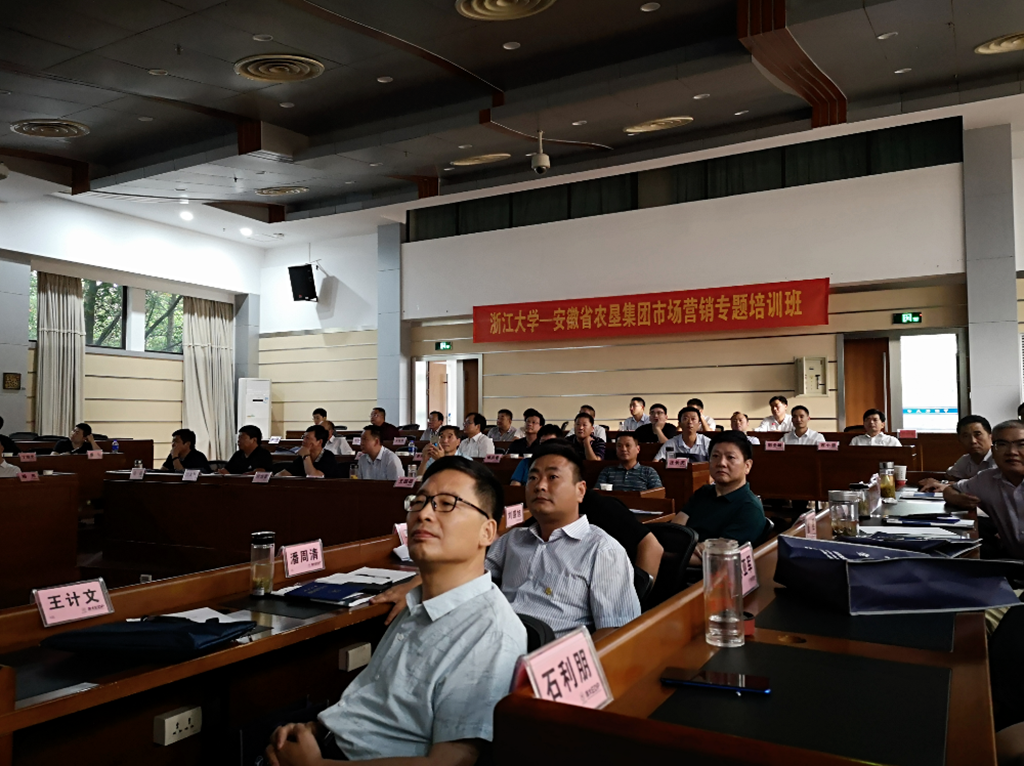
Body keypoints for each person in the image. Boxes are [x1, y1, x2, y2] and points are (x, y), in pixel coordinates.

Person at [266, 457, 526, 765]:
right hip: (330, 739)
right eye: (419, 501)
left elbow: (448, 763)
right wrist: (315, 729)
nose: (424, 514)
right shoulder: (419, 600)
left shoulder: (491, 632)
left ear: (487, 531)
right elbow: (374, 703)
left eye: (447, 504)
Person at [488, 443, 641, 637]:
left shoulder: (602, 551)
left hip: (548, 652)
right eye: (533, 478)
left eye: (553, 477)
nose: (540, 486)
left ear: (580, 491)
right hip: (489, 638)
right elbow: (473, 581)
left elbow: (615, 632)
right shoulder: (512, 540)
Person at [671, 431, 767, 563]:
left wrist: (660, 555)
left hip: (703, 573)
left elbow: (716, 557)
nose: (721, 463)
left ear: (747, 466)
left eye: (730, 457)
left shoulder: (750, 508)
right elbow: (675, 528)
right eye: (715, 456)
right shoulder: (704, 492)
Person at [943, 420, 1024, 559]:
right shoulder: (987, 479)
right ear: (993, 451)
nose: (1011, 452)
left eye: (1021, 445)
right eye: (1002, 444)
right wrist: (957, 498)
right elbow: (950, 490)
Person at [919, 415, 995, 492]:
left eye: (978, 434)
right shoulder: (966, 459)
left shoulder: (998, 458)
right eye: (966, 436)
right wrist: (936, 482)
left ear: (991, 436)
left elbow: (986, 486)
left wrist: (948, 486)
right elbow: (950, 477)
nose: (973, 441)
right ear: (959, 440)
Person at [596, 432, 663, 491]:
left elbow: (657, 495)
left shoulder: (649, 472)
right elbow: (597, 493)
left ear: (638, 449)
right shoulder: (607, 471)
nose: (624, 449)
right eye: (619, 446)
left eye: (628, 445)